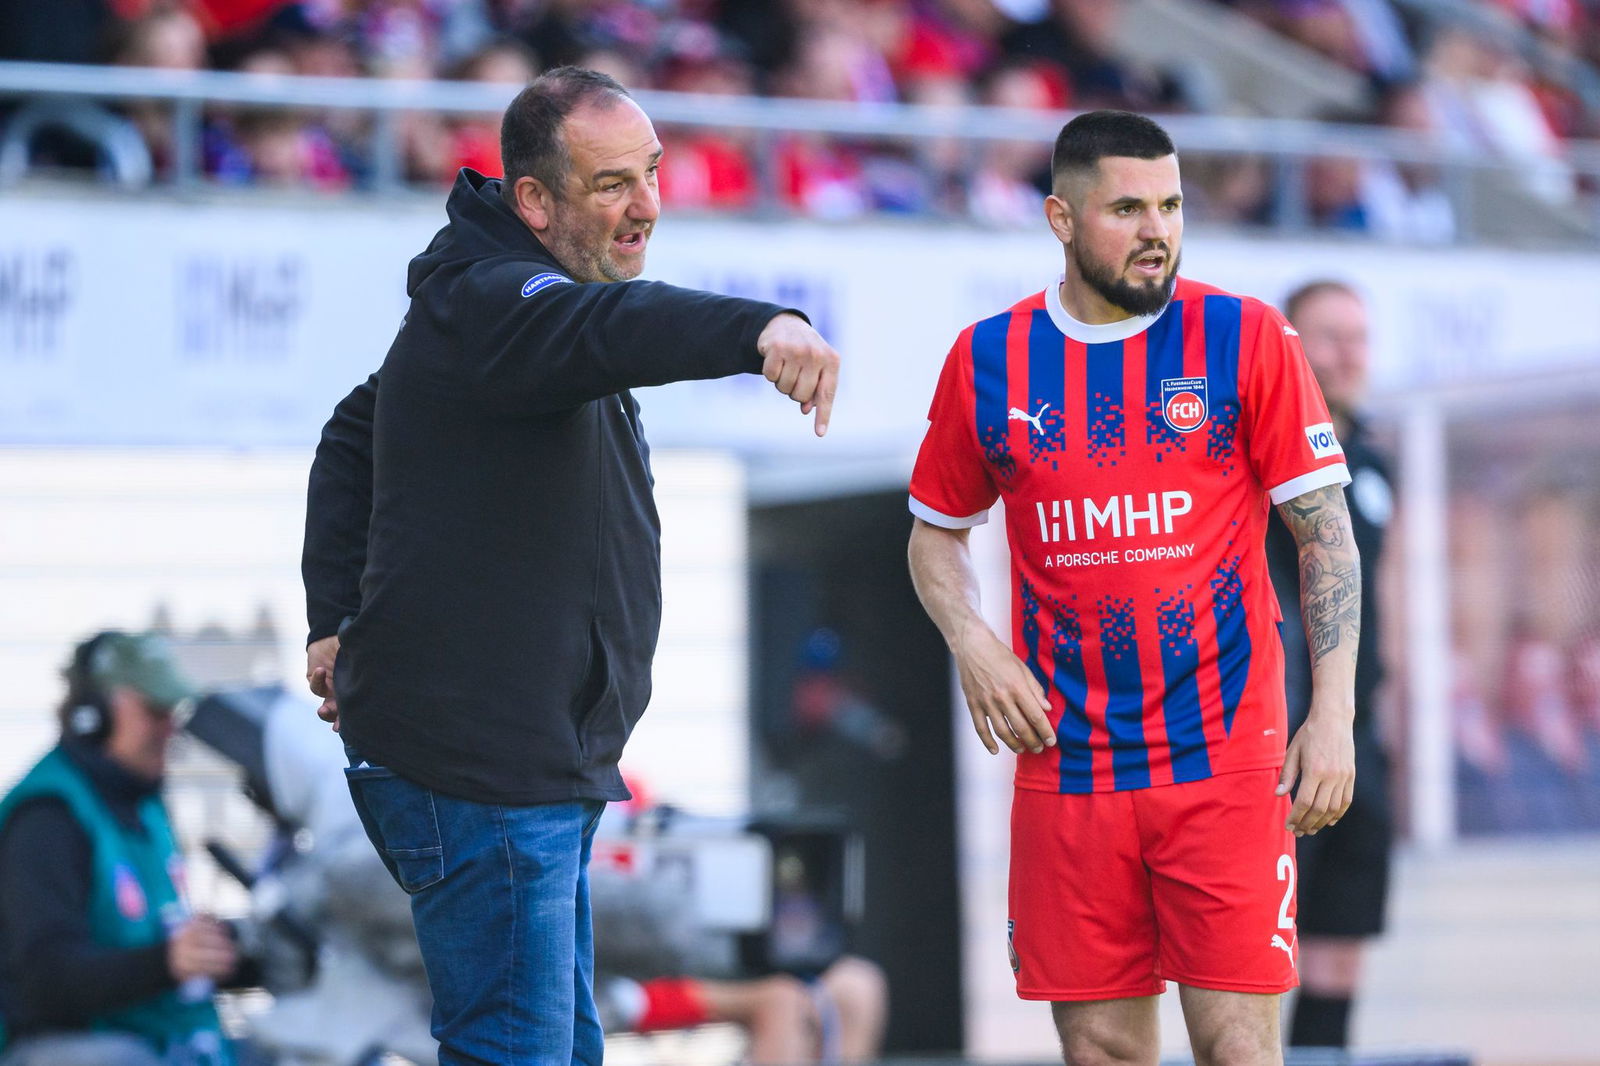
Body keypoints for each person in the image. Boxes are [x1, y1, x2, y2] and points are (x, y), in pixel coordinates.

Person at [300, 66, 840, 1066]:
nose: (645, 207)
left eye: (653, 173)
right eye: (610, 185)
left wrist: (330, 614)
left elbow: (350, 434)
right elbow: (610, 330)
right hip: (485, 772)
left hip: (524, 768)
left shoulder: (487, 309)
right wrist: (755, 328)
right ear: (534, 201)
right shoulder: (503, 303)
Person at [905, 110, 1360, 1066]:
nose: (1157, 228)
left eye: (1171, 204)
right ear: (1061, 220)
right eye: (1127, 207)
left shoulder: (1243, 336)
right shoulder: (989, 358)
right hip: (1068, 766)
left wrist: (1334, 714)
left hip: (1228, 758)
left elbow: (1326, 540)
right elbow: (934, 537)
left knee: (1236, 1046)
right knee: (1102, 1049)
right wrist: (975, 644)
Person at [0, 632, 240, 1066]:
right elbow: (45, 982)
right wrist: (167, 963)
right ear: (93, 716)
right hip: (74, 1049)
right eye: (155, 712)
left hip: (163, 1040)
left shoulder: (146, 808)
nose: (171, 728)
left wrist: (234, 950)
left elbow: (162, 944)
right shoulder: (48, 816)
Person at [1265, 280, 1393, 1049]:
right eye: (1329, 336)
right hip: (1287, 739)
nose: (1348, 355)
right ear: (1292, 347)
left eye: (1359, 337)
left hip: (1362, 735)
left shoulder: (1375, 465)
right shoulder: (1261, 460)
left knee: (1342, 952)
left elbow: (1388, 597)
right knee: (1266, 951)